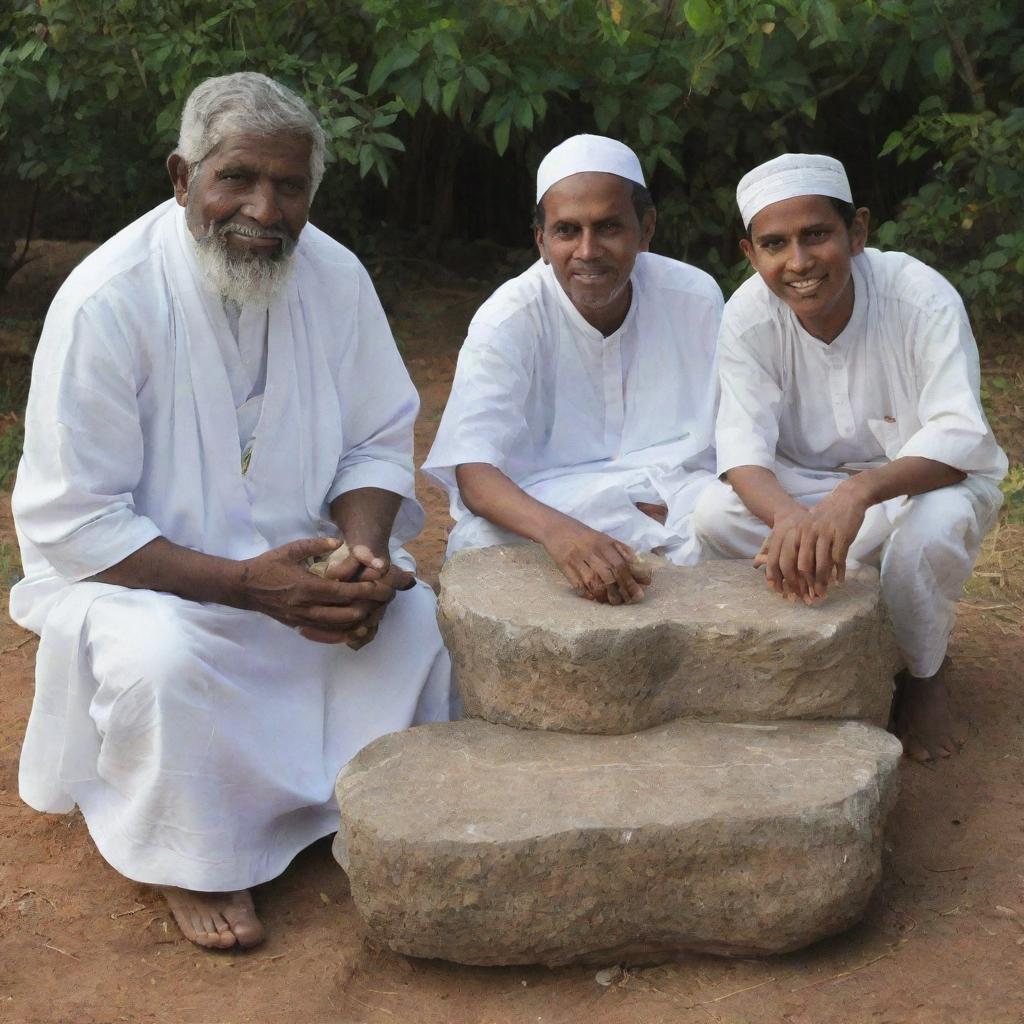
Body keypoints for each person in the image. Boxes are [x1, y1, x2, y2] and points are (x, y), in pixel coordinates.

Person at [9, 72, 452, 950]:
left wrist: (358, 558)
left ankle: (361, 815)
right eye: (237, 179)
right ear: (183, 178)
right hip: (145, 585)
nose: (264, 207)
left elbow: (374, 441)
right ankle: (191, 854)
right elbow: (78, 522)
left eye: (289, 186)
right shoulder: (109, 300)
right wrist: (249, 588)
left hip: (291, 580)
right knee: (166, 662)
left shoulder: (333, 275)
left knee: (418, 627)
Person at [692, 153, 1007, 763]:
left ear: (857, 232)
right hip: (803, 492)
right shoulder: (748, 315)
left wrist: (855, 496)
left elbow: (961, 438)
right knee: (711, 515)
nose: (799, 262)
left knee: (928, 534)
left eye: (817, 235)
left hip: (922, 482)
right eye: (775, 244)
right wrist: (790, 519)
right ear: (749, 254)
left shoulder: (920, 297)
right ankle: (786, 651)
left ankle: (923, 675)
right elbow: (740, 447)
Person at [423, 135, 723, 604]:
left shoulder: (695, 297)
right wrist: (562, 534)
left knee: (729, 514)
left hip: (674, 499)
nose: (587, 250)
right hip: (548, 506)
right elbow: (475, 473)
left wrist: (651, 508)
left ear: (645, 230)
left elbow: (728, 438)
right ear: (541, 241)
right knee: (479, 542)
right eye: (567, 231)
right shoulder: (508, 317)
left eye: (608, 228)